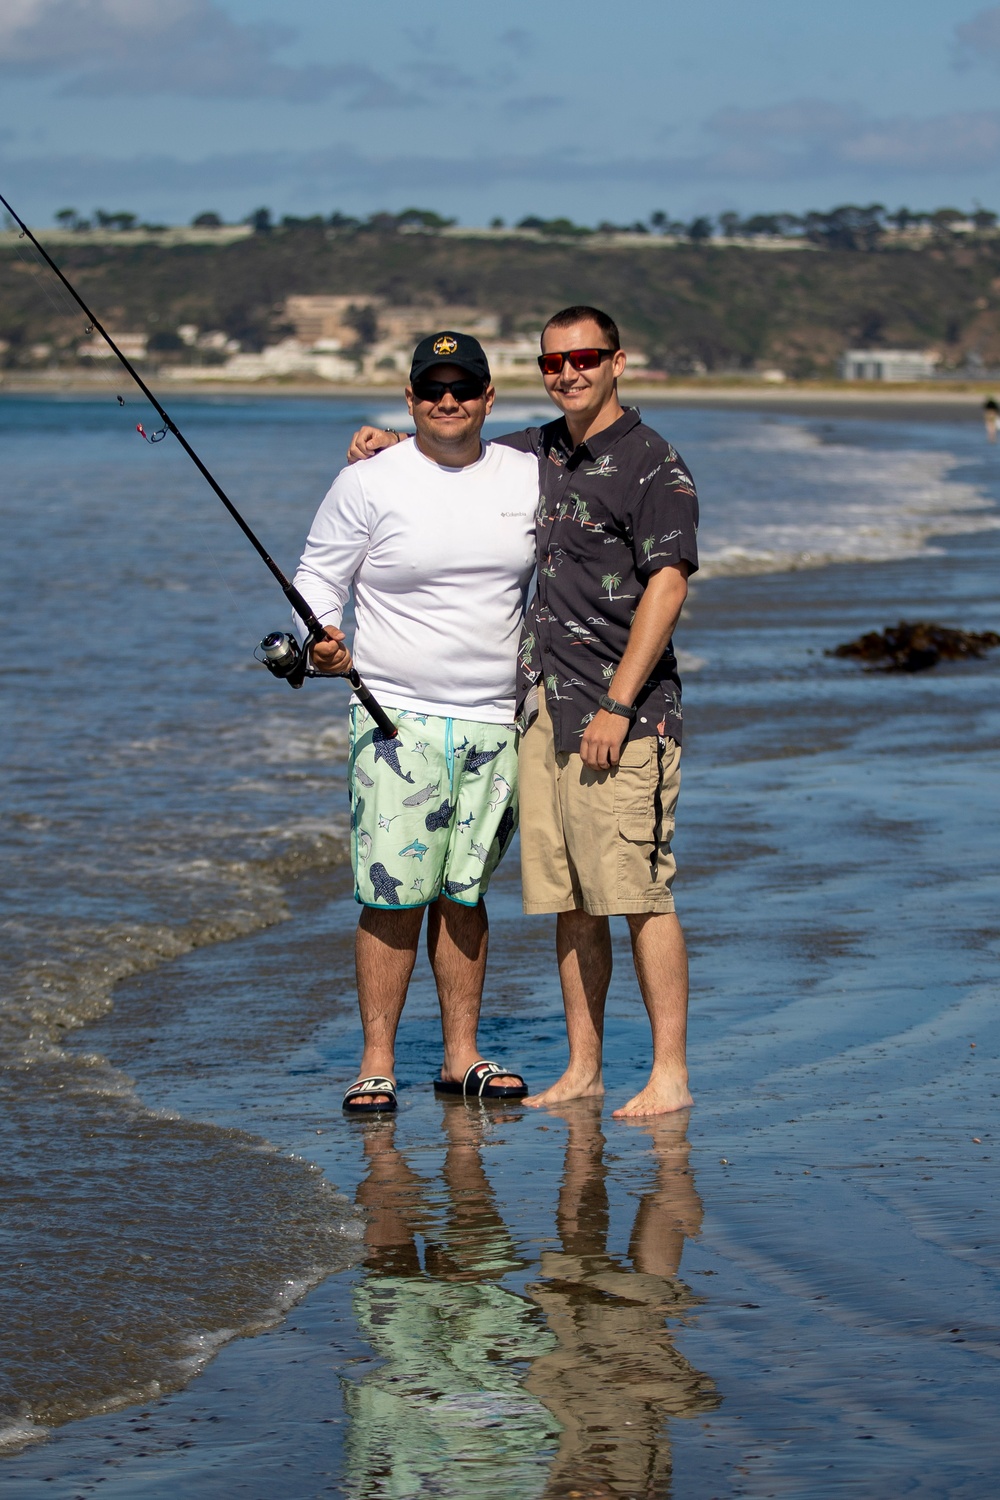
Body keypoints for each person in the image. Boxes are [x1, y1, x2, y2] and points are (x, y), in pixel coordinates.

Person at [348, 306, 699, 1118]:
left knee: (640, 892)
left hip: (627, 715)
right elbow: (452, 449)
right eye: (554, 362)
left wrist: (617, 704)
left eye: (585, 358)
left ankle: (670, 1072)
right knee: (572, 897)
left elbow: (669, 586)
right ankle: (584, 1067)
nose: (569, 372)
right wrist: (388, 445)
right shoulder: (537, 451)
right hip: (542, 712)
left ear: (619, 362)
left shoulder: (654, 464)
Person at [295, 331, 539, 1112]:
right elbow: (317, 576)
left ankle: (459, 1057)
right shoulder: (370, 480)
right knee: (393, 893)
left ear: (488, 399)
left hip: (498, 722)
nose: (447, 401)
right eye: (431, 389)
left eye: (463, 388)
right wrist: (320, 642)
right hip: (394, 716)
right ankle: (375, 1062)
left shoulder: (527, 476)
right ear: (409, 398)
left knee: (463, 893)